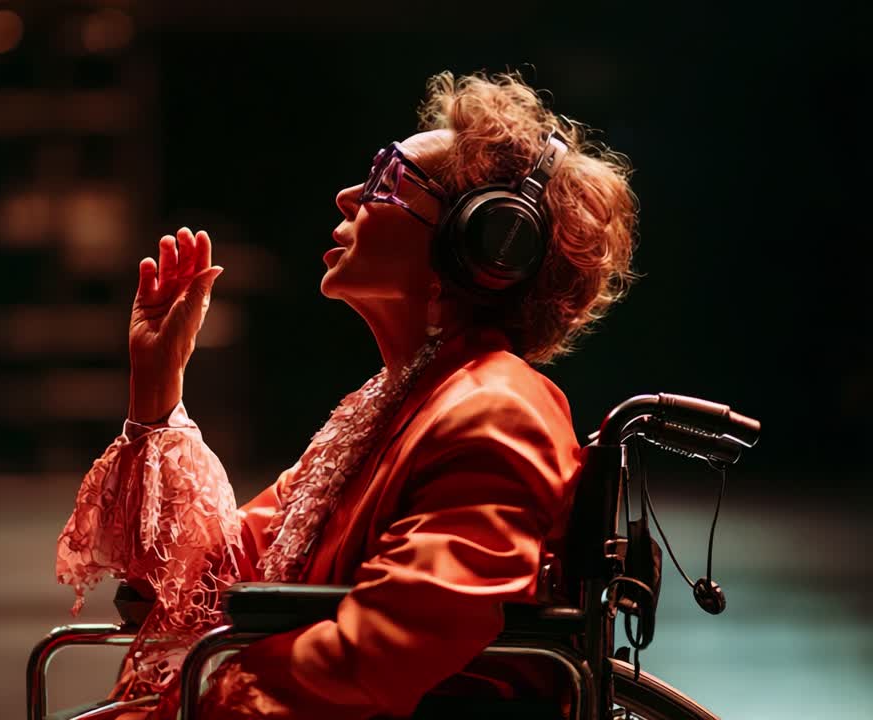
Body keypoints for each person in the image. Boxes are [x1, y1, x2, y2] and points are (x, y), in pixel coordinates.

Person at [55, 70, 637, 719]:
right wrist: (158, 392)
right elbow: (210, 578)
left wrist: (195, 708)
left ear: (479, 242)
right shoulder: (389, 408)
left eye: (387, 180)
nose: (347, 196)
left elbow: (382, 652)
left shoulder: (494, 410)